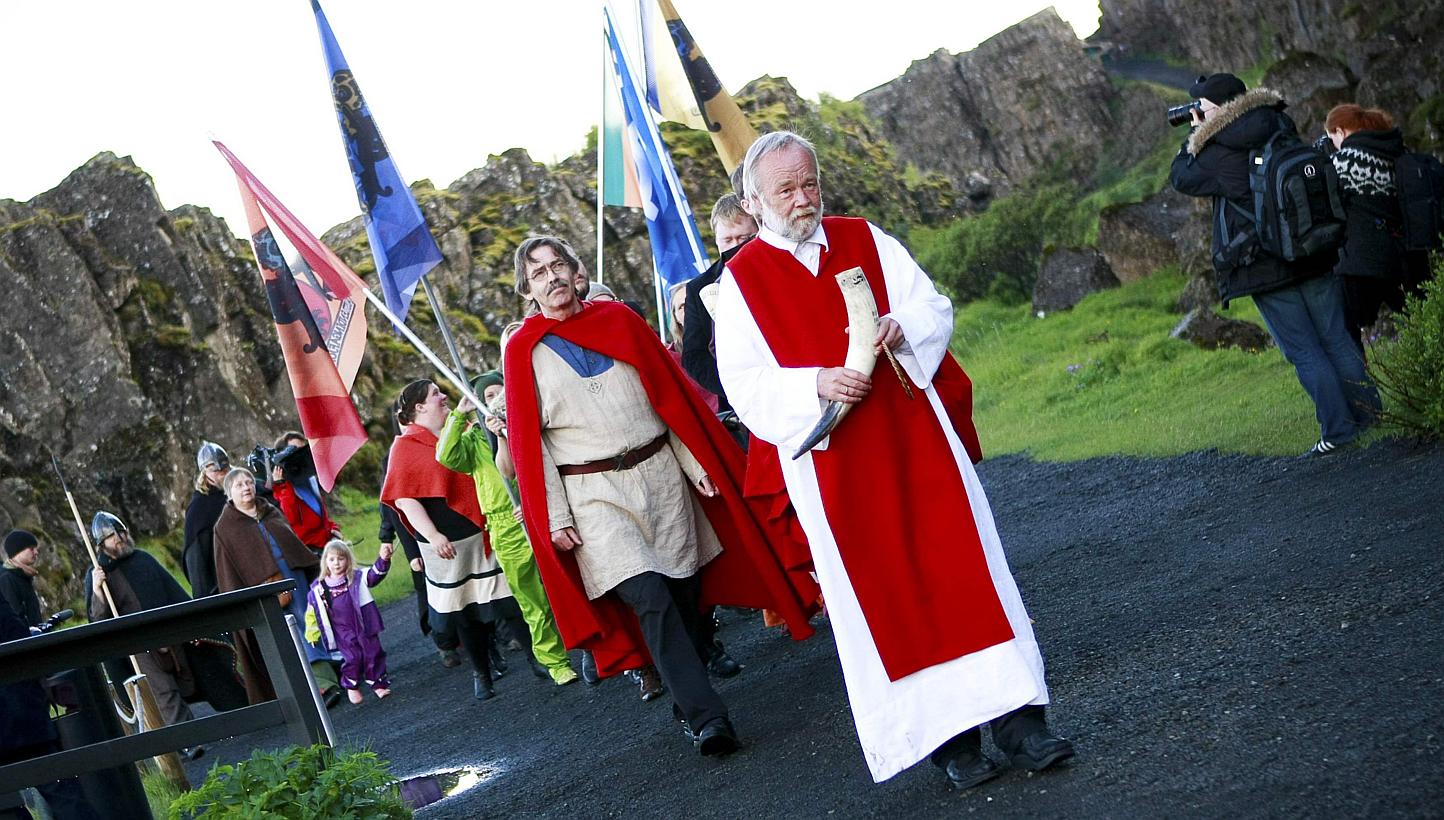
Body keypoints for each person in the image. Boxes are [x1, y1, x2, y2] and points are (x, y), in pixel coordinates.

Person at [715, 131, 1073, 789]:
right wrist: (813, 383)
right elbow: (744, 382)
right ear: (755, 201)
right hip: (835, 466)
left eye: (810, 183)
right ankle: (952, 744)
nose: (803, 200)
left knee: (966, 573)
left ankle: (1022, 726)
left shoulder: (864, 237)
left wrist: (902, 327)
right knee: (890, 600)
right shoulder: (739, 284)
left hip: (915, 437)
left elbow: (930, 305)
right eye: (786, 190)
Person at [503, 235, 821, 755]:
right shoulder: (524, 352)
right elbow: (528, 445)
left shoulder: (620, 322)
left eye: (558, 264)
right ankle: (707, 718)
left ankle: (684, 690)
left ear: (576, 270)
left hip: (661, 477)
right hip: (592, 494)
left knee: (686, 595)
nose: (552, 276)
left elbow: (668, 399)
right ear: (527, 290)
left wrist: (696, 464)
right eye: (538, 272)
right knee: (650, 598)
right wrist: (554, 515)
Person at [1170, 74, 1380, 456]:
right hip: (1313, 250)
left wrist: (1196, 136)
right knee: (1336, 338)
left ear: (1215, 108)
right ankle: (1372, 420)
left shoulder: (1218, 151)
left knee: (1304, 350)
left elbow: (1180, 176)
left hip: (1265, 266)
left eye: (1199, 107)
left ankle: (1339, 431)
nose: (1195, 114)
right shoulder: (1278, 125)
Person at [382, 379, 523, 702]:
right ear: (419, 407)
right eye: (435, 395)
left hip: (480, 529)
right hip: (443, 544)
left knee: (505, 597)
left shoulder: (460, 431)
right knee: (464, 612)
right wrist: (432, 535)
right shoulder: (404, 447)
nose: (443, 397)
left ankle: (535, 659)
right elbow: (404, 499)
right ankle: (481, 673)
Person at [436, 374, 580, 686]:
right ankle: (555, 661)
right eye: (488, 396)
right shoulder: (473, 440)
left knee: (568, 584)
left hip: (540, 513)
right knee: (532, 599)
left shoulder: (527, 423)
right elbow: (445, 455)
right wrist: (460, 413)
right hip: (504, 524)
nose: (497, 400)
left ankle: (592, 649)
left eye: (501, 392)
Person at [85, 512, 248, 759]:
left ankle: (245, 714)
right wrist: (97, 590)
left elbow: (173, 592)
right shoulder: (99, 575)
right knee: (164, 691)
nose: (119, 539)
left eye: (121, 532)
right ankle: (188, 742)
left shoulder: (143, 560)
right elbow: (98, 620)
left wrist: (190, 626)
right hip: (138, 644)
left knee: (194, 677)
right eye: (111, 536)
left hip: (168, 633)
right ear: (100, 544)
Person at [212, 467, 341, 707]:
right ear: (229, 493)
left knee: (309, 624)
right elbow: (228, 571)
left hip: (296, 578)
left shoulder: (269, 510)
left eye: (248, 482)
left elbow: (291, 541)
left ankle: (328, 678)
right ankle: (315, 688)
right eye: (239, 485)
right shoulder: (225, 528)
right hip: (266, 592)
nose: (246, 487)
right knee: (287, 637)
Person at [1323, 103, 1430, 349]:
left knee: (1348, 333)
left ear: (1341, 131)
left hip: (1361, 261)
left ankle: (1361, 384)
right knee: (1421, 323)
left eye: (1332, 138)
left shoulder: (1343, 162)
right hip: (1407, 255)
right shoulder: (1398, 150)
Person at [0, 594, 99, 820]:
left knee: (7, 809)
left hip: (14, 714)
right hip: (18, 713)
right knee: (64, 795)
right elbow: (15, 635)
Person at [379, 446, 462, 669]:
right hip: (418, 540)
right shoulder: (393, 457)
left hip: (450, 530)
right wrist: (410, 552)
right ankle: (445, 644)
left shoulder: (436, 444)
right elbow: (391, 510)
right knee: (430, 593)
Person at [682, 188, 759, 410]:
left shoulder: (777, 266)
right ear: (716, 240)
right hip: (742, 400)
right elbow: (694, 355)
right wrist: (736, 386)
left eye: (744, 238)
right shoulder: (699, 288)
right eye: (727, 240)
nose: (736, 246)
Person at [305, 539, 394, 704]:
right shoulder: (318, 589)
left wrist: (384, 559)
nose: (336, 563)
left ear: (348, 559)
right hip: (342, 630)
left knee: (373, 653)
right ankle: (351, 685)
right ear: (325, 562)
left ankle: (378, 683)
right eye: (332, 559)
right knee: (353, 657)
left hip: (364, 624)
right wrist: (312, 632)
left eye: (341, 558)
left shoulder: (357, 577)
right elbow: (311, 613)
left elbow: (375, 575)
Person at [268, 432, 342, 555]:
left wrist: (333, 529)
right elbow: (291, 518)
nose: (300, 455)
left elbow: (322, 518)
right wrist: (281, 485)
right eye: (294, 451)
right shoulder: (284, 489)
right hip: (309, 552)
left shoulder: (310, 480)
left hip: (327, 545)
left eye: (303, 450)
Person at [183, 441, 230, 597]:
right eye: (216, 471)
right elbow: (197, 563)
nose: (222, 473)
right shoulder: (199, 509)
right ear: (205, 472)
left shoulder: (239, 491)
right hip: (223, 584)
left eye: (225, 469)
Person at [1, 530, 44, 628]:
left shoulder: (23, 576)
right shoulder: (7, 579)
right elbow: (13, 618)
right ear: (18, 551)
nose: (36, 552)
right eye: (31, 549)